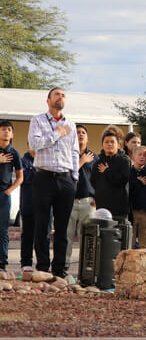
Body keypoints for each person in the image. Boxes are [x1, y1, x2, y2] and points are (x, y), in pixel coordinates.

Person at [28, 87, 79, 280]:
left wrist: (74, 178)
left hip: (66, 179)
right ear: (48, 100)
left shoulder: (71, 125)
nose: (61, 97)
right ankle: (42, 267)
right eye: (57, 94)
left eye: (63, 95)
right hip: (44, 177)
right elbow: (34, 144)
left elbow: (75, 152)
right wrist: (57, 134)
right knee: (42, 224)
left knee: (63, 227)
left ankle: (59, 270)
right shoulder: (38, 120)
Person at [65, 124, 97, 272]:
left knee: (87, 238)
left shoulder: (95, 157)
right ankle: (63, 267)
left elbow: (99, 181)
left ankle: (86, 269)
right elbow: (67, 174)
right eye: (77, 132)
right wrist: (82, 161)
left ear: (88, 137)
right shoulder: (67, 154)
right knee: (66, 236)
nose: (81, 135)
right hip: (69, 201)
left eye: (83, 132)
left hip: (88, 202)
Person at [91, 128, 132, 220]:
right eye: (106, 142)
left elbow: (122, 180)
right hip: (102, 207)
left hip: (119, 207)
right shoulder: (98, 162)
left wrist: (107, 171)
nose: (109, 144)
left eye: (112, 142)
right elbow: (93, 181)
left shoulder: (124, 161)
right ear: (102, 146)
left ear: (118, 145)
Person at [0, 121, 23, 272]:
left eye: (9, 130)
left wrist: (9, 191)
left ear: (12, 134)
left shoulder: (14, 153)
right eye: (3, 129)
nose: (6, 132)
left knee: (3, 230)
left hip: (3, 195)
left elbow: (20, 177)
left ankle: (2, 262)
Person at [129, 146, 146, 248]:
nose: (142, 157)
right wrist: (137, 183)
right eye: (140, 154)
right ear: (133, 157)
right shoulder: (129, 171)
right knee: (130, 242)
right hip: (132, 212)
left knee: (145, 243)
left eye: (145, 155)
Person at [19, 147, 36, 273]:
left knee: (44, 236)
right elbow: (25, 178)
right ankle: (26, 263)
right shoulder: (23, 161)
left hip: (45, 205)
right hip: (28, 204)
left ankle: (43, 264)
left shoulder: (47, 161)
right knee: (27, 235)